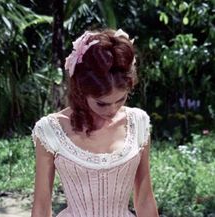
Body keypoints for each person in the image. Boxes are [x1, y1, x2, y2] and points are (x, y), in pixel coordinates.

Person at [31, 28, 159, 217]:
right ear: (81, 91)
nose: (112, 110)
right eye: (102, 103)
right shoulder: (50, 130)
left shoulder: (138, 123)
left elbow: (145, 198)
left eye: (121, 100)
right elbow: (41, 207)